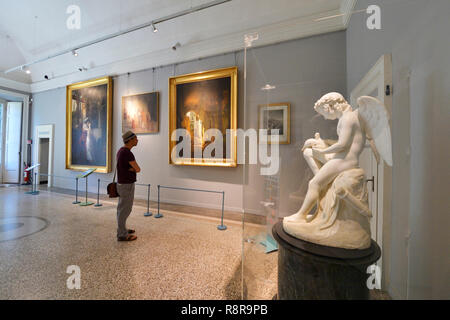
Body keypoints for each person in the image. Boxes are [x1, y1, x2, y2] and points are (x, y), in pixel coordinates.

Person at [285, 92, 366, 223]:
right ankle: (322, 181)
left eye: (324, 113)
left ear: (330, 106)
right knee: (308, 151)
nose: (326, 118)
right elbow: (346, 143)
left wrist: (323, 151)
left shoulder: (348, 118)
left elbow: (342, 145)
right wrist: (323, 143)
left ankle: (301, 214)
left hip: (345, 160)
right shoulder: (347, 117)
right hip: (342, 157)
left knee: (313, 183)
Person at [116, 131, 141, 241]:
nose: (137, 140)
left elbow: (128, 168)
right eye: (135, 138)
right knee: (125, 209)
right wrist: (133, 169)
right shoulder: (127, 153)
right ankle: (122, 234)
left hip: (123, 183)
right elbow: (138, 169)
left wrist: (131, 169)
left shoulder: (121, 151)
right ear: (130, 140)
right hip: (126, 185)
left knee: (122, 208)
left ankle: (123, 229)